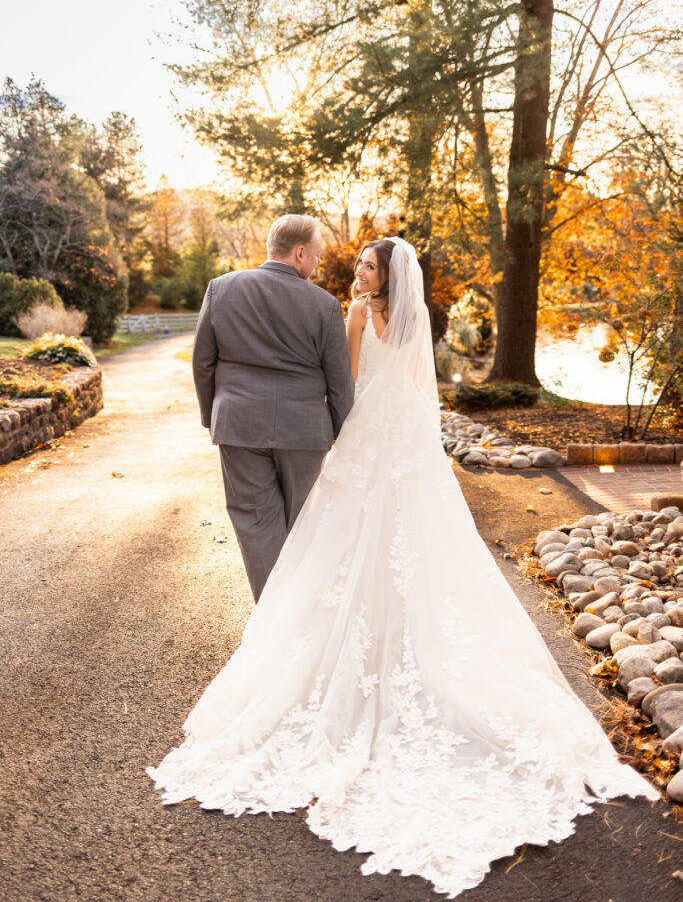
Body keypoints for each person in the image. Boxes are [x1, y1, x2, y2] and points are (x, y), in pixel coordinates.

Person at [148, 237, 658, 899]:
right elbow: (413, 390)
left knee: (380, 552)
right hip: (396, 443)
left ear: (383, 276)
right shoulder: (393, 316)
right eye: (358, 263)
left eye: (365, 265)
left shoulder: (360, 316)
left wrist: (346, 437)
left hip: (377, 444)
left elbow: (348, 384)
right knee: (376, 552)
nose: (356, 272)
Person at [191, 214, 355, 601]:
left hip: (239, 425)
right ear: (300, 253)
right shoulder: (326, 305)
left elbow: (203, 363)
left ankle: (272, 621)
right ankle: (296, 617)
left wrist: (209, 417)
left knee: (255, 523)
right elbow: (340, 381)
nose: (316, 264)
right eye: (315, 256)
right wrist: (335, 429)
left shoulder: (221, 288)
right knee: (301, 527)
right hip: (304, 431)